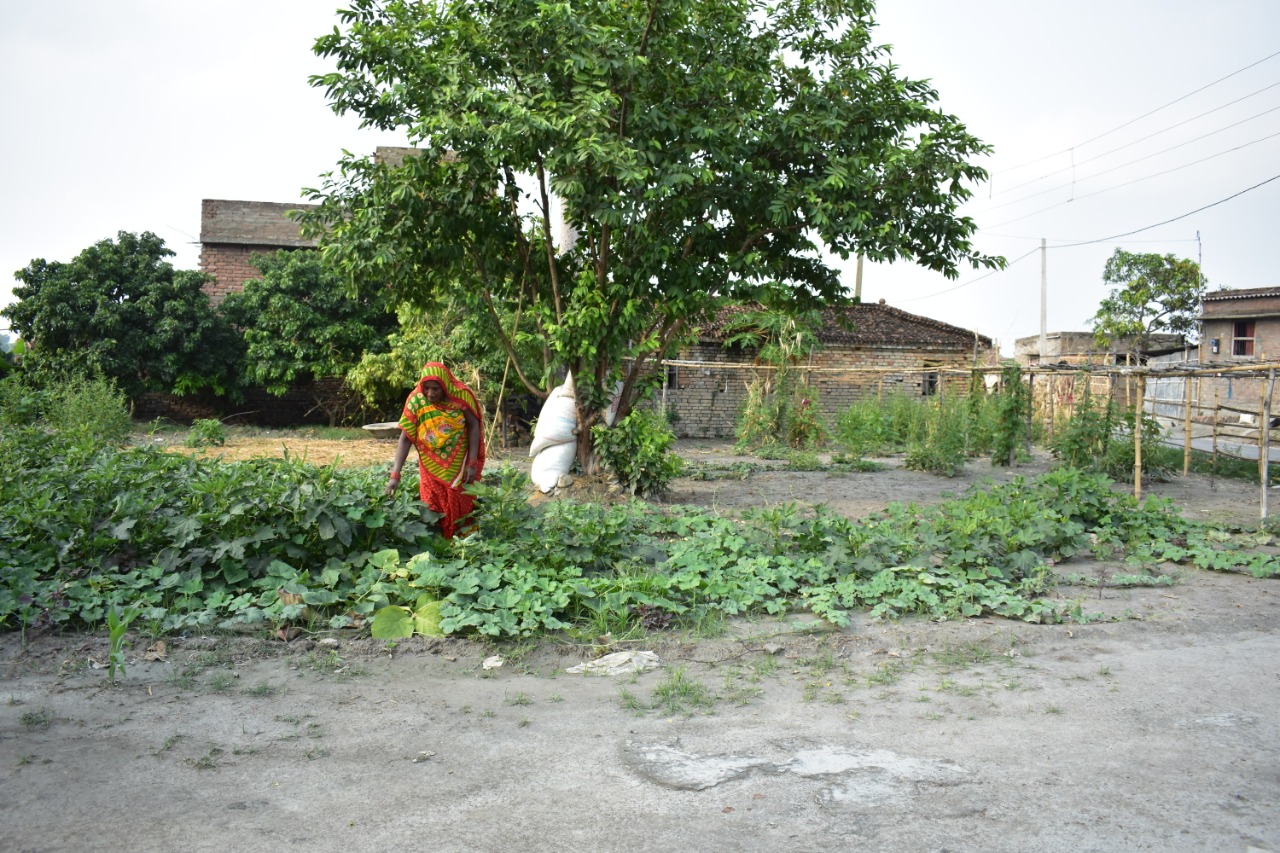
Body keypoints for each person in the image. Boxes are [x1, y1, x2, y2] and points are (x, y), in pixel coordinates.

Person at [386, 362, 485, 538]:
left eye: (435, 389)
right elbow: (405, 438)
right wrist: (395, 475)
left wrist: (472, 462)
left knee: (462, 504)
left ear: (445, 387)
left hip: (458, 463)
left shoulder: (461, 397)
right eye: (426, 388)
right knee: (431, 505)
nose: (430, 394)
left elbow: (473, 425)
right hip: (430, 464)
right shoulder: (416, 401)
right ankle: (436, 546)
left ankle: (463, 547)